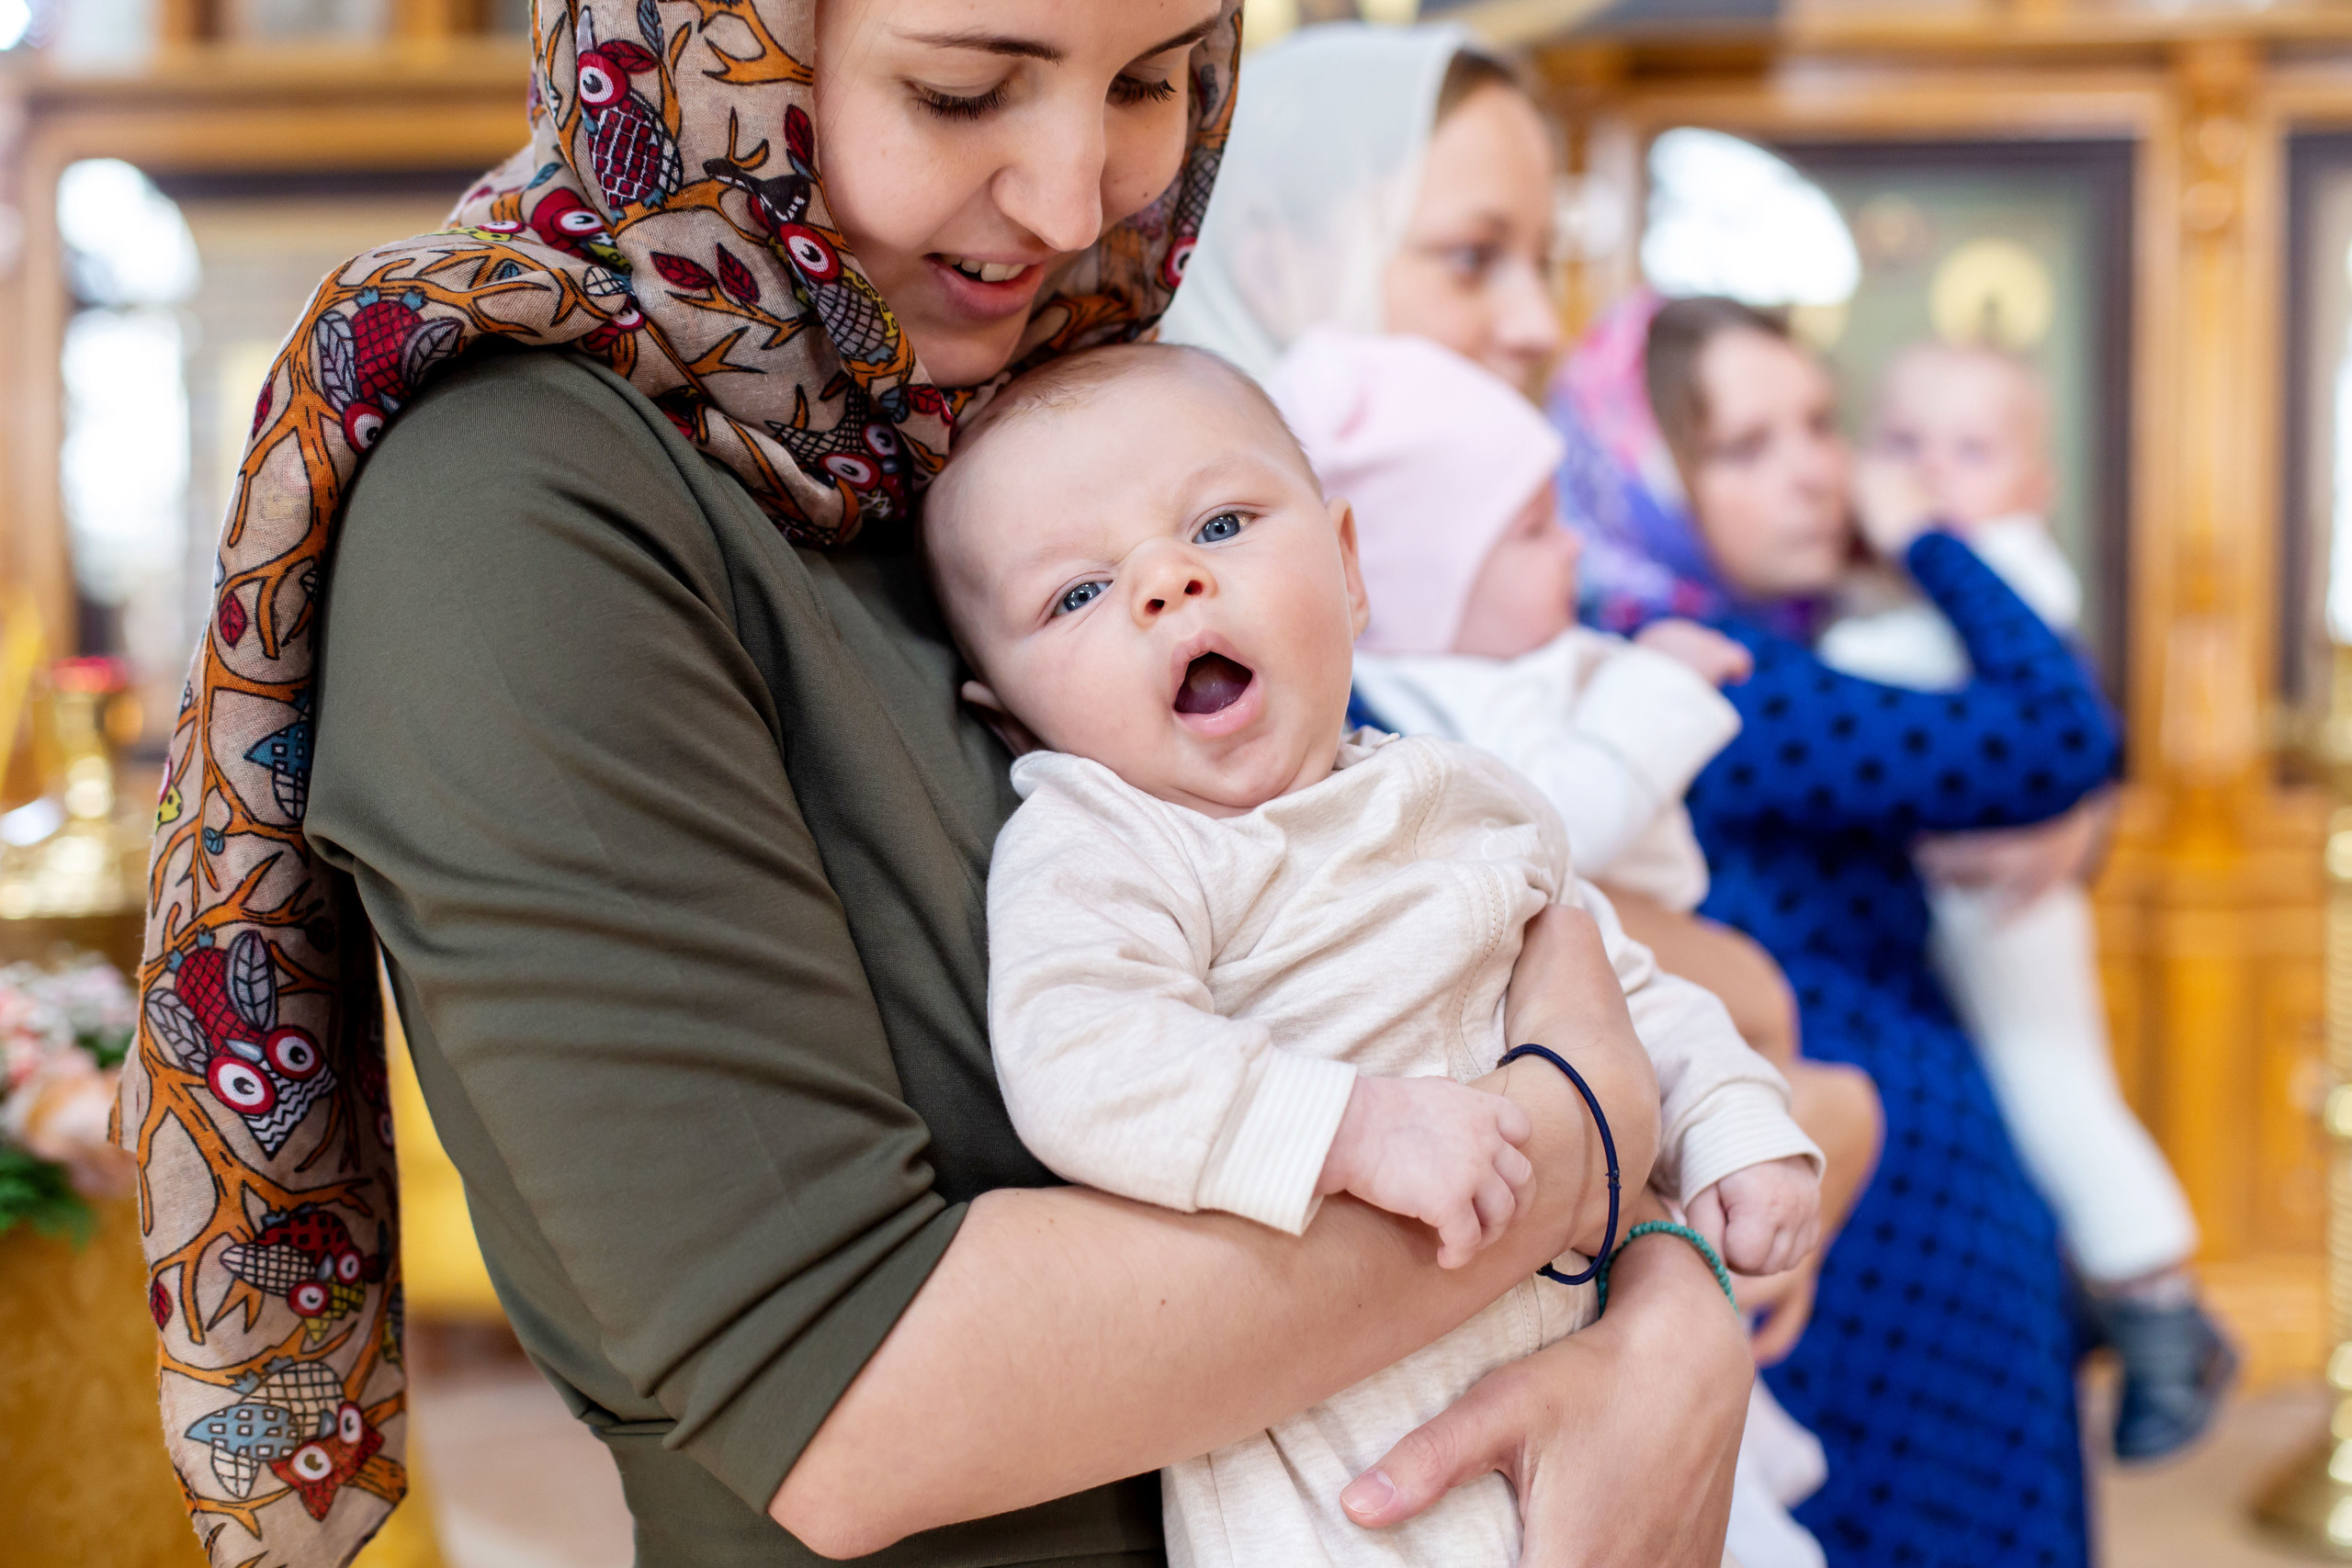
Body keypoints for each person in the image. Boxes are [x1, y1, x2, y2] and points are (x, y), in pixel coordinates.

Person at [127, 4, 1758, 1566]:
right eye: (967, 92)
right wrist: (1579, 1135)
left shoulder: (1022, 400)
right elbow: (858, 1408)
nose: (1073, 199)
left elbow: (1483, 939)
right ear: (735, 47)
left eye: (1149, 81)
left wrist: (1672, 1318)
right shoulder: (519, 505)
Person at [927, 339, 1824, 1566]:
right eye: (1076, 594)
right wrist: (1348, 1125)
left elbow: (1616, 985)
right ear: (1011, 709)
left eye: (1224, 521)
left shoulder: (1463, 793)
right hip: (1343, 1491)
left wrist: (1730, 1120)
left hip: (1585, 1387)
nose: (1167, 583)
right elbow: (1083, 1054)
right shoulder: (1107, 841)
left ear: (1349, 570)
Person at [1273, 324, 1873, 1568]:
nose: (1575, 548)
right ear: (1419, 569)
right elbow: (1558, 829)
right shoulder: (1427, 720)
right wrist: (1659, 692)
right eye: (1537, 529)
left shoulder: (1529, 664)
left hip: (1659, 1066)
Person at [1590, 292, 2123, 1567]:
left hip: (1896, 1188)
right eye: (1743, 445)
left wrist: (2077, 823)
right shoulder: (1714, 675)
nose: (1817, 473)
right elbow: (2057, 730)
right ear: (1644, 469)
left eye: (1821, 423)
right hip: (1872, 1225)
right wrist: (1936, 536)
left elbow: (2016, 782)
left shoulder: (1798, 644)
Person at [1823, 342, 2232, 1460]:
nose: (1932, 473)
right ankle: (2112, 1293)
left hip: (2002, 911)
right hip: (1939, 916)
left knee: (2055, 1087)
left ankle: (2163, 1311)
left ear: (2033, 489)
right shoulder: (1904, 579)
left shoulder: (1998, 570)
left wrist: (1914, 551)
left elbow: (1936, 670)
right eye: (1904, 443)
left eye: (1973, 450)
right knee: (2021, 1103)